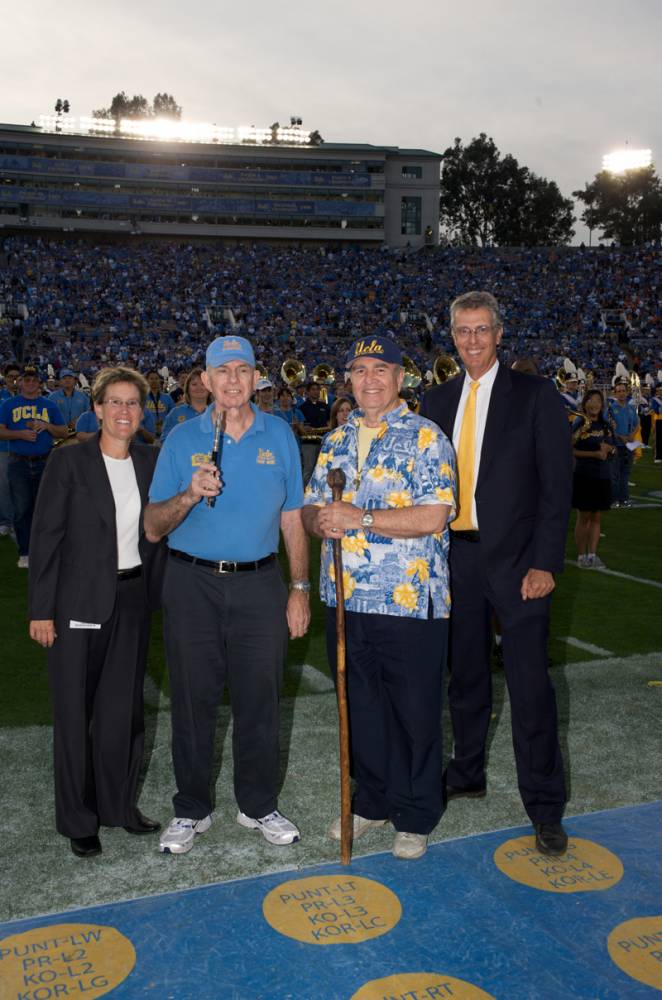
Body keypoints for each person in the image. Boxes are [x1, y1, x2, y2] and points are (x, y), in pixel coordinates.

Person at [145, 335, 310, 855]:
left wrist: (300, 587)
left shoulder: (280, 434)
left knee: (260, 699)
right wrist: (191, 493)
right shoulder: (179, 438)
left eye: (243, 370)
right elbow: (152, 526)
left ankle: (258, 804)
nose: (233, 380)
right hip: (191, 582)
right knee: (192, 700)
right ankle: (192, 808)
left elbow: (292, 518)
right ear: (207, 380)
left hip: (261, 582)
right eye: (223, 371)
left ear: (256, 376)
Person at [420, 291, 572, 857]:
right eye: (463, 331)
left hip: (518, 562)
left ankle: (545, 804)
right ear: (452, 337)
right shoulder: (435, 399)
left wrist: (545, 563)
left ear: (500, 334)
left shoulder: (535, 394)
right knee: (464, 678)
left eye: (482, 330)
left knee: (530, 686)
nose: (473, 341)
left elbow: (558, 487)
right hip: (455, 558)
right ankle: (468, 770)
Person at [303, 336, 456, 860]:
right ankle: (371, 801)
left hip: (409, 601)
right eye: (360, 370)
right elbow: (309, 507)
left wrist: (359, 518)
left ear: (399, 378)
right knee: (361, 710)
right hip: (346, 599)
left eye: (380, 370)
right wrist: (317, 519)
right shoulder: (336, 441)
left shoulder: (427, 437)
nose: (369, 379)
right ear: (349, 378)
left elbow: (435, 515)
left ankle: (415, 815)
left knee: (414, 713)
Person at [28, 367, 166, 858]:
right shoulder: (69, 462)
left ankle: (118, 807)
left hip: (131, 600)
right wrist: (41, 611)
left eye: (133, 403)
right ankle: (78, 819)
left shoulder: (151, 460)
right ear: (98, 408)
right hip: (75, 606)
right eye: (115, 402)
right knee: (74, 715)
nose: (124, 412)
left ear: (143, 411)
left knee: (122, 713)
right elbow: (45, 539)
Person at [0, 366, 67, 568]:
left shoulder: (49, 405)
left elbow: (64, 432)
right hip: (18, 461)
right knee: (21, 509)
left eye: (33, 380)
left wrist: (46, 426)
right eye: (26, 380)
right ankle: (25, 551)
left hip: (44, 460)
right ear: (19, 383)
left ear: (40, 383)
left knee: (45, 508)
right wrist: (20, 434)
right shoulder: (8, 405)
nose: (30, 383)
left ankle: (46, 549)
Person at [572, 390, 615, 568]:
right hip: (584, 475)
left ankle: (593, 555)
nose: (595, 404)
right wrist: (594, 454)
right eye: (591, 400)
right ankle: (581, 556)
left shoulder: (606, 425)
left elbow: (614, 449)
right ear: (585, 404)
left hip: (602, 476)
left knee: (597, 516)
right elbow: (570, 450)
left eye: (598, 401)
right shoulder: (579, 423)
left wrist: (609, 450)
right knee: (583, 516)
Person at [608, 377, 640, 508]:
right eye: (619, 391)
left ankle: (624, 499)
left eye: (623, 391)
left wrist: (632, 435)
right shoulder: (611, 408)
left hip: (629, 445)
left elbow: (637, 423)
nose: (621, 393)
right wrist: (621, 437)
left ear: (627, 392)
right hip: (616, 445)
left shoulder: (631, 408)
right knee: (615, 474)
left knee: (626, 474)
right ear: (615, 393)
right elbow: (608, 426)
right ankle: (614, 500)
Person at [160, 367, 211, 442]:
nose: (199, 387)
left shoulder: (217, 414)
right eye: (194, 384)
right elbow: (165, 440)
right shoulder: (175, 413)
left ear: (209, 389)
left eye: (203, 384)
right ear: (187, 389)